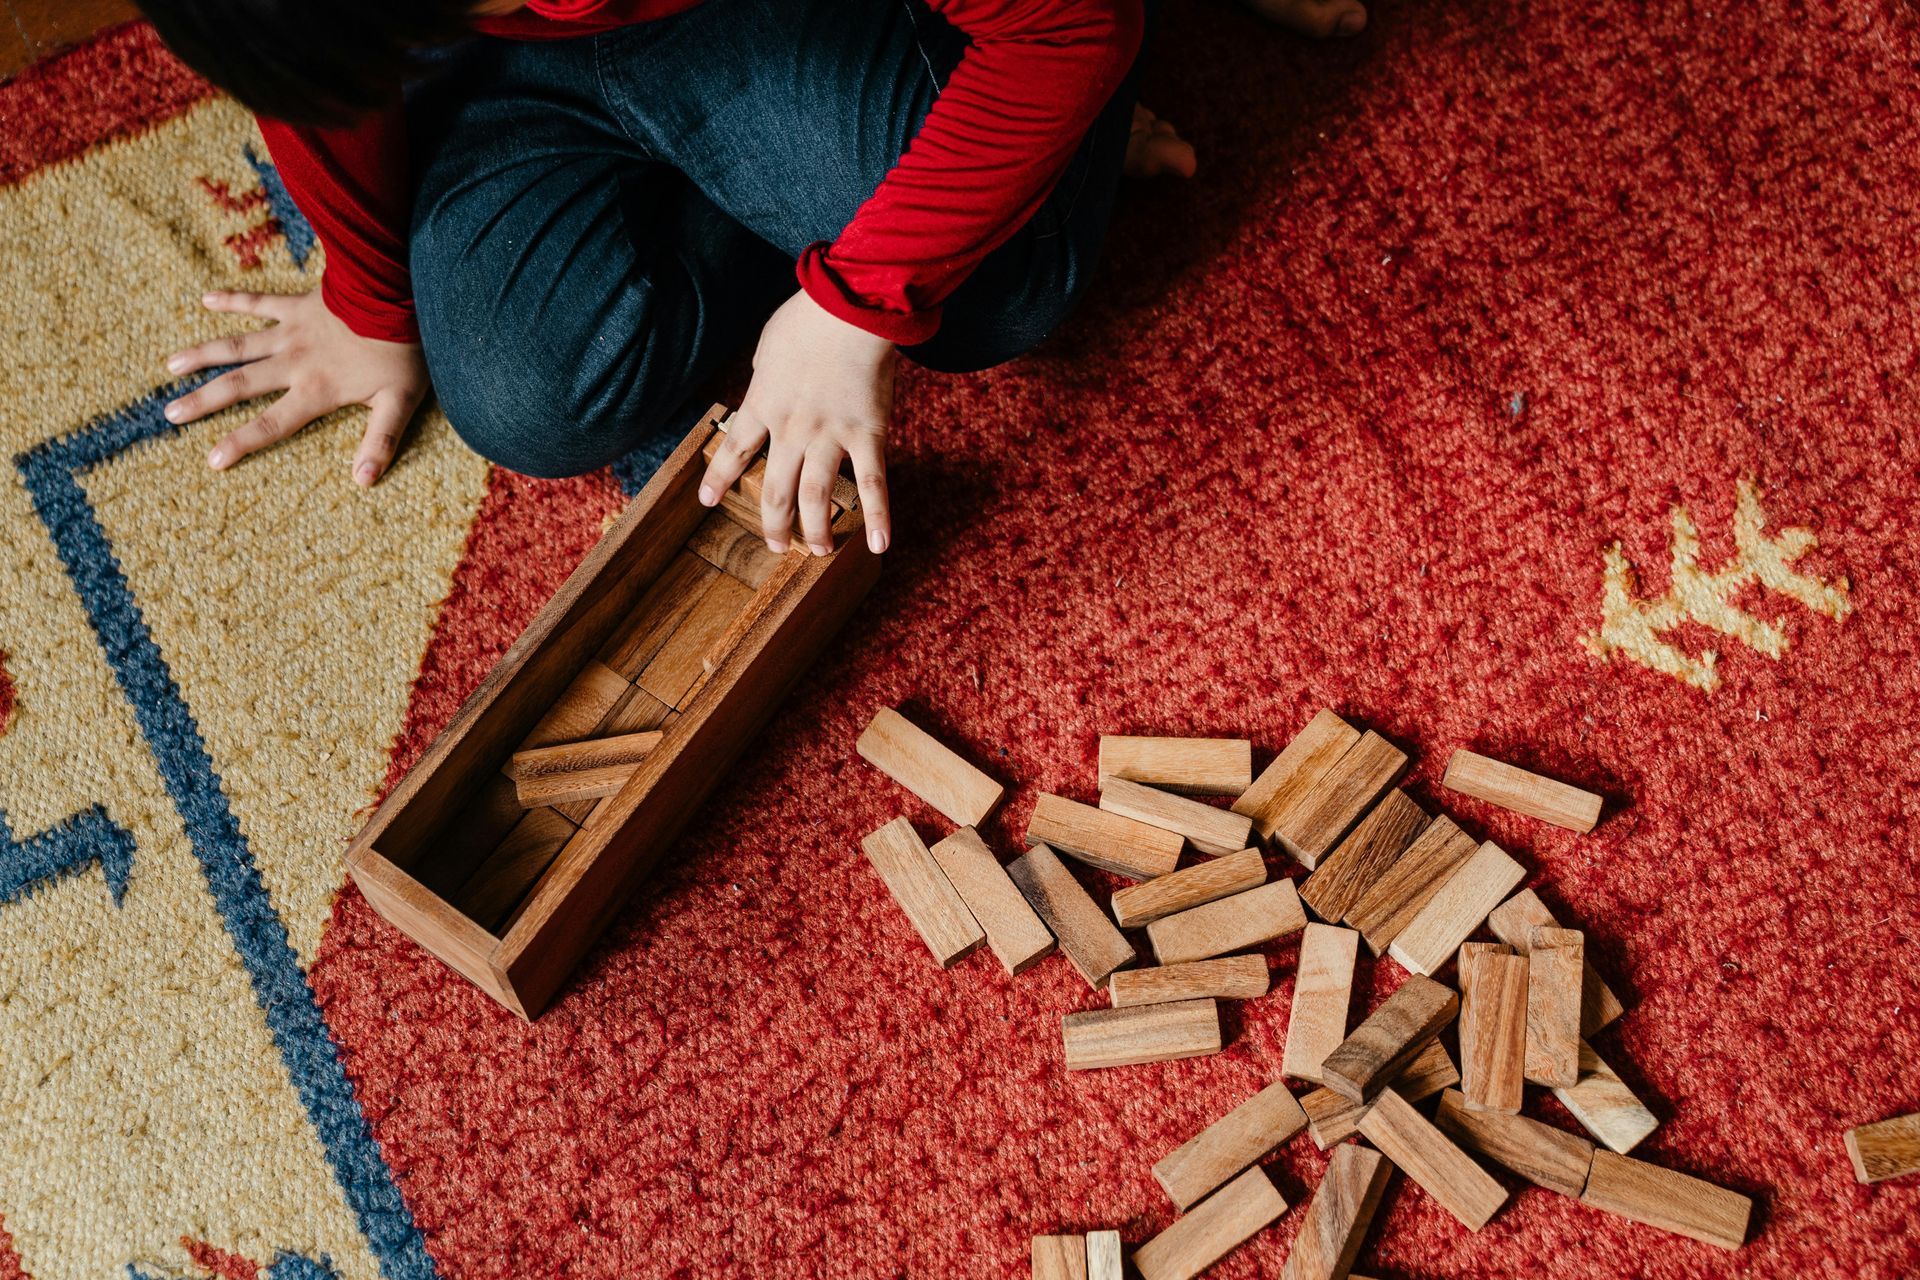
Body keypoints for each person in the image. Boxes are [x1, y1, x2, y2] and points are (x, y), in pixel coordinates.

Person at [138, 0, 1364, 557]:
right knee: (522, 399)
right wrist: (369, 298)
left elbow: (1070, 29)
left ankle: (938, 157)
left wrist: (854, 307)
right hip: (519, 78)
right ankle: (829, 174)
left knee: (1004, 285)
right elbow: (322, 78)